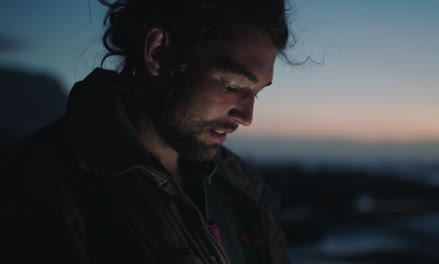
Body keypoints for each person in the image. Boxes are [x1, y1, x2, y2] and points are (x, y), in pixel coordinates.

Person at [3, 0, 291, 263]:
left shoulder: (241, 187)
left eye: (256, 93)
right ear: (159, 52)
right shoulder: (43, 184)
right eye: (231, 86)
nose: (246, 117)